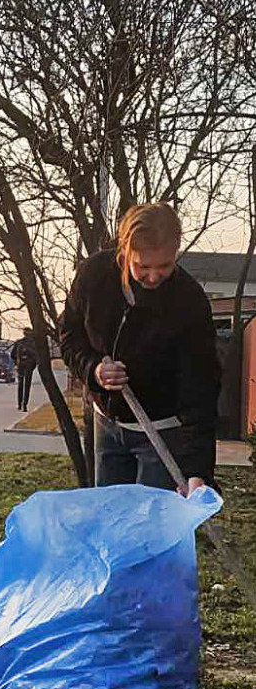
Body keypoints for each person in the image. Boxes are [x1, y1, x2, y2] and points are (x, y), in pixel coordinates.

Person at [58, 203, 218, 494]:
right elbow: (69, 336)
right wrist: (94, 370)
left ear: (176, 253)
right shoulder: (94, 277)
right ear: (125, 250)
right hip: (106, 424)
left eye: (165, 266)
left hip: (162, 432)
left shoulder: (189, 302)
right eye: (142, 266)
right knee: (111, 519)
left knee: (151, 528)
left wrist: (196, 470)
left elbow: (202, 387)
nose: (154, 276)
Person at [13, 327, 41, 413]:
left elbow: (13, 355)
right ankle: (24, 404)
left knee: (21, 385)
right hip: (28, 365)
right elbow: (37, 356)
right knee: (26, 385)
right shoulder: (34, 344)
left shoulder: (19, 343)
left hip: (21, 365)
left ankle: (20, 404)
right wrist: (33, 365)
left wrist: (17, 362)